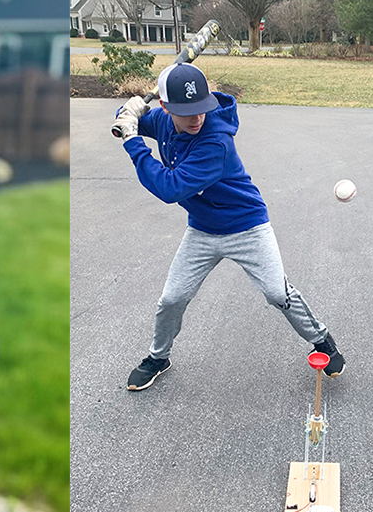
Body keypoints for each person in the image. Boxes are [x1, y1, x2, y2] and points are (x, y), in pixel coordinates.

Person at [112, 62, 346, 391]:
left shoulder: (215, 142)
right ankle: (158, 357)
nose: (196, 118)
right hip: (203, 231)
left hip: (247, 226)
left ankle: (322, 340)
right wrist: (129, 109)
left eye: (202, 109)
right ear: (165, 107)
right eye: (187, 111)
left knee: (277, 293)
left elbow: (170, 188)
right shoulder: (165, 121)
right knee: (172, 299)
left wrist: (132, 142)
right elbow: (132, 120)